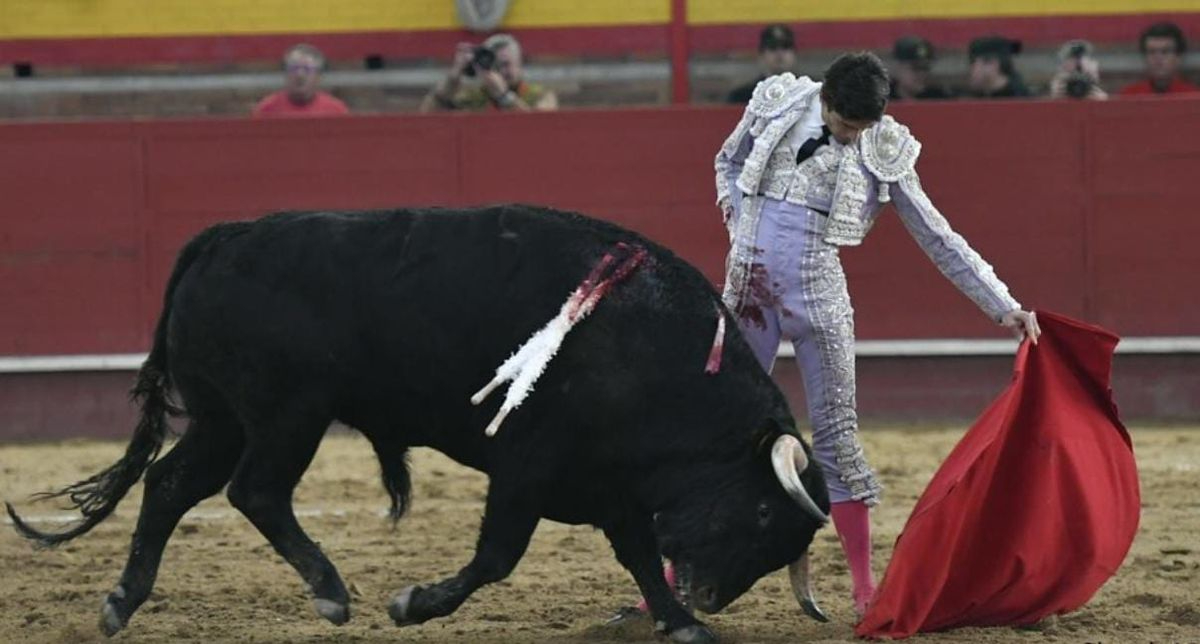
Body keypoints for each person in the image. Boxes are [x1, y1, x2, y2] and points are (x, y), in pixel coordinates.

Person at [710, 52, 1040, 617]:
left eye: (862, 129)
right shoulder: (778, 101)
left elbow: (936, 233)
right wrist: (741, 227)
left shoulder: (881, 144)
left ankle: (865, 591)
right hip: (749, 295)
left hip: (820, 298)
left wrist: (1002, 304)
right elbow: (727, 162)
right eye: (844, 126)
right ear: (826, 99)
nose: (850, 139)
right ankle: (666, 579)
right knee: (715, 435)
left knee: (838, 440)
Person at [420, 33, 557, 112]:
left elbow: (540, 129)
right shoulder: (474, 98)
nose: (501, 72)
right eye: (495, 65)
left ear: (519, 65)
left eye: (506, 64)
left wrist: (503, 96)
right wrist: (453, 78)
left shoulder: (540, 95)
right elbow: (428, 116)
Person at [253, 44, 349, 117]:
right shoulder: (266, 109)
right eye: (294, 68)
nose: (300, 75)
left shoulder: (336, 110)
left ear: (318, 76)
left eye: (307, 69)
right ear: (285, 73)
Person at [1119, 22, 1199, 96]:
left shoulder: (1193, 96)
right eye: (1152, 52)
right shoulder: (1130, 95)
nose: (1158, 59)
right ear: (1144, 57)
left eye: (1165, 52)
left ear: (1178, 57)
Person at [728, 24, 799, 104]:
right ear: (761, 55)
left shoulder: (808, 92)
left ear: (795, 54)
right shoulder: (743, 96)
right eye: (772, 47)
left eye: (786, 47)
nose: (780, 53)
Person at [889, 35, 954, 100]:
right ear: (897, 68)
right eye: (915, 68)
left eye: (925, 68)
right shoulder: (883, 99)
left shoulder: (938, 98)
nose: (922, 74)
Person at [965, 36, 1031, 98]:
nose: (972, 69)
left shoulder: (1019, 96)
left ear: (993, 64)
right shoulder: (971, 96)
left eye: (974, 62)